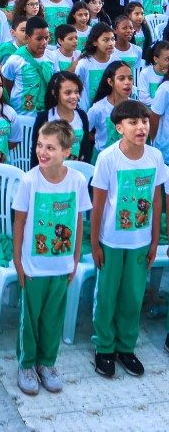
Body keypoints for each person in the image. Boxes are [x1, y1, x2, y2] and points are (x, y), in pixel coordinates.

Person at [13, 120, 91, 395]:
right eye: (39, 145)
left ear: (67, 151)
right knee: (30, 320)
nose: (42, 152)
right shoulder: (29, 180)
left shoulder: (77, 181)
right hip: (33, 267)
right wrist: (18, 261)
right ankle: (26, 364)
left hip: (61, 265)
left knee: (53, 318)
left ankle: (47, 363)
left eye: (50, 147)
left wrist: (75, 258)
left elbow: (79, 221)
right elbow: (19, 222)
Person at [91, 100, 167, 378]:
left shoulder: (155, 157)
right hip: (111, 241)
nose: (141, 127)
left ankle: (126, 347)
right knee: (107, 295)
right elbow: (98, 205)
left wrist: (155, 239)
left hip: (140, 241)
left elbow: (156, 200)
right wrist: (96, 243)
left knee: (133, 296)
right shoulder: (108, 158)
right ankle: (104, 348)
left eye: (144, 121)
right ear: (119, 127)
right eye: (133, 122)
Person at [2, 16, 56, 116]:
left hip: (47, 115)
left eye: (46, 38)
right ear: (27, 38)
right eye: (39, 39)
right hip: (22, 116)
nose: (44, 43)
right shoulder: (15, 60)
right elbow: (6, 86)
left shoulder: (52, 57)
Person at [88, 61, 134, 162]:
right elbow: (84, 131)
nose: (127, 82)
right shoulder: (98, 108)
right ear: (110, 82)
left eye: (130, 78)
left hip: (126, 159)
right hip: (103, 159)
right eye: (121, 78)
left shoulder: (135, 106)